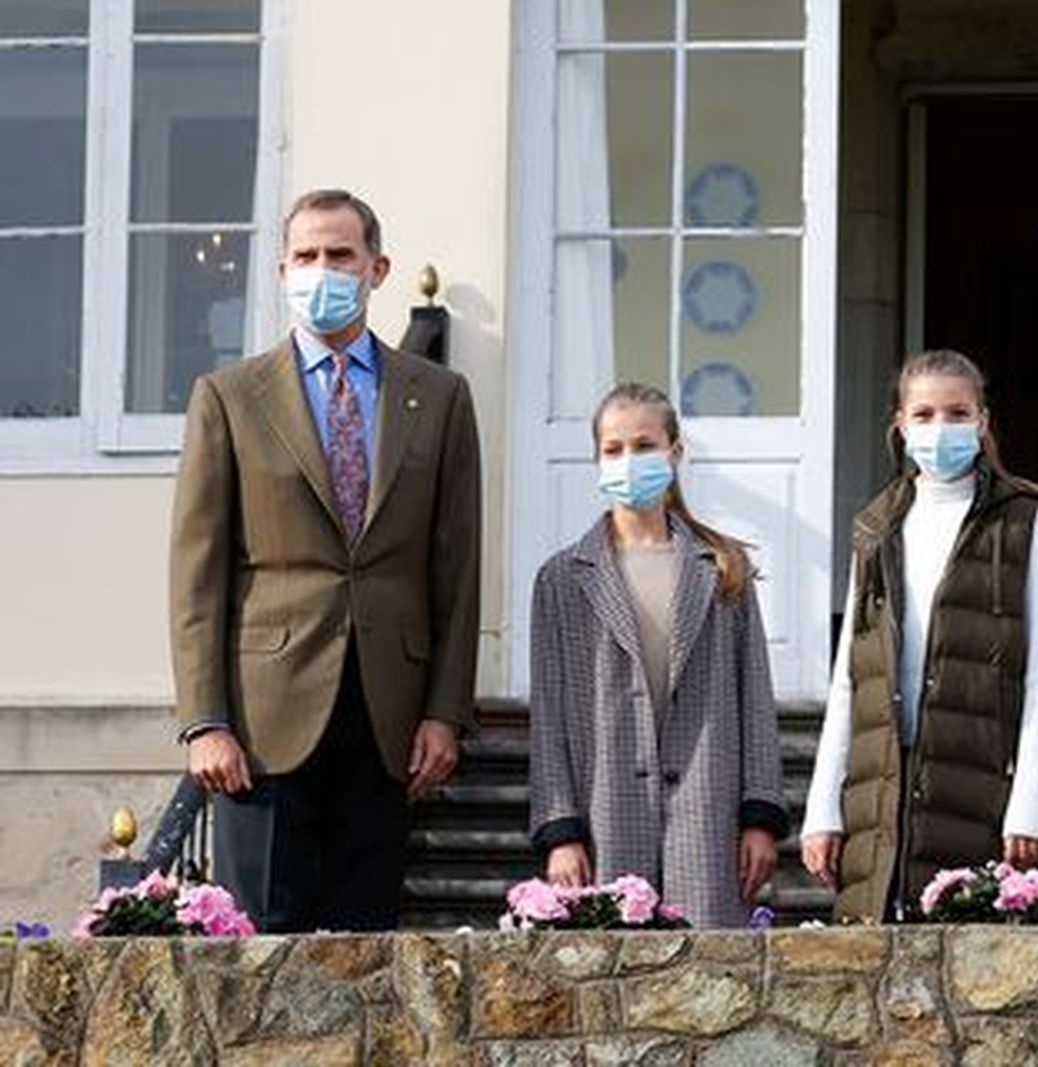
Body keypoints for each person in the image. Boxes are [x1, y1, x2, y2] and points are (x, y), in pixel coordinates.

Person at [170, 188, 482, 932]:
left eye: (339, 254)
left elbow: (458, 569)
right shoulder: (230, 397)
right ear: (281, 270)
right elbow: (198, 570)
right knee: (258, 946)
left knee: (365, 947)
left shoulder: (437, 397)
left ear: (377, 269)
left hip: (386, 717)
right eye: (306, 255)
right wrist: (204, 720)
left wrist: (445, 711)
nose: (322, 269)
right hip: (261, 718)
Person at [800, 349, 1038, 922]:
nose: (940, 428)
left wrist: (1029, 805)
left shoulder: (1019, 522)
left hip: (974, 781)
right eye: (923, 415)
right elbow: (852, 676)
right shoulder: (876, 527)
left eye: (956, 412)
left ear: (983, 421)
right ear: (900, 424)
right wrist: (823, 808)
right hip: (881, 784)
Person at [527, 383, 790, 927]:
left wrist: (760, 815)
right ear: (597, 460)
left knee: (711, 981)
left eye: (645, 446)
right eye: (614, 449)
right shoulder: (562, 579)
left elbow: (755, 697)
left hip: (707, 814)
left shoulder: (721, 567)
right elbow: (549, 717)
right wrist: (561, 830)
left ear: (675, 452)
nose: (630, 460)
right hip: (607, 813)